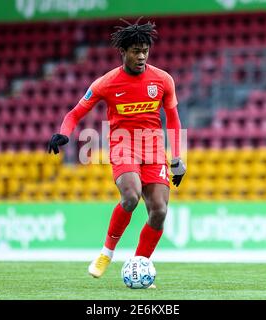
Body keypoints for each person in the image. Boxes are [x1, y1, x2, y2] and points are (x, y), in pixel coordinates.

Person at [48, 19, 186, 284]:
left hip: (154, 149)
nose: (142, 56)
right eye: (136, 50)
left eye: (145, 50)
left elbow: (174, 120)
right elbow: (75, 113)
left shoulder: (163, 80)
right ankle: (106, 253)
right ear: (123, 52)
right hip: (123, 146)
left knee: (159, 211)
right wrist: (64, 133)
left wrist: (178, 157)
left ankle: (139, 263)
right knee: (131, 197)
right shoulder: (106, 83)